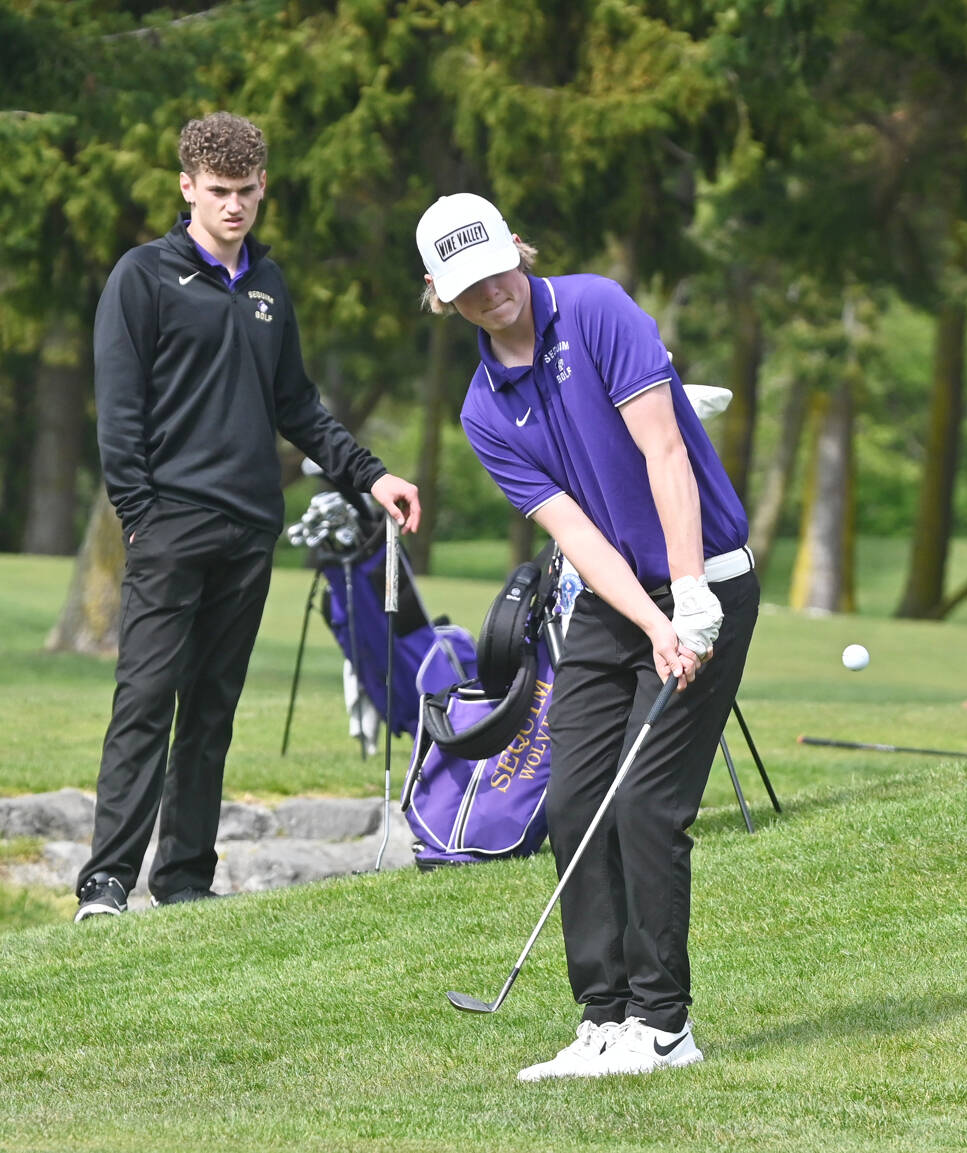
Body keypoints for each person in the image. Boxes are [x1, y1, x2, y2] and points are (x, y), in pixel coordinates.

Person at [415, 193, 758, 1079]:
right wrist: (648, 621)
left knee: (646, 801)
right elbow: (578, 537)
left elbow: (666, 455)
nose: (491, 290)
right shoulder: (484, 412)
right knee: (574, 797)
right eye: (466, 284)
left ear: (516, 250)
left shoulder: (598, 308)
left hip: (706, 574)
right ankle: (602, 1019)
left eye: (495, 266)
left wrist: (686, 600)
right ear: (440, 295)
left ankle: (664, 1025)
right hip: (613, 598)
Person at [75, 112, 419, 921]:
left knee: (212, 706)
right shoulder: (143, 277)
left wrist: (371, 476)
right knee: (145, 698)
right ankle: (106, 883)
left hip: (248, 529)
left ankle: (187, 877)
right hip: (168, 527)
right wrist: (138, 515)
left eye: (246, 192)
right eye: (218, 192)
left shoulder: (269, 285)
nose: (233, 206)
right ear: (187, 187)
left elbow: (296, 404)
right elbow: (119, 413)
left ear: (264, 187)